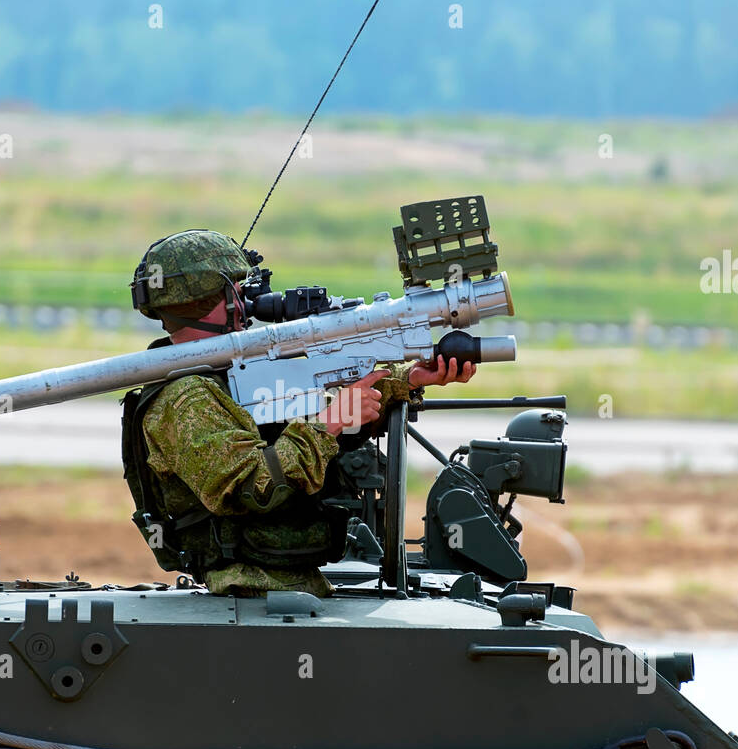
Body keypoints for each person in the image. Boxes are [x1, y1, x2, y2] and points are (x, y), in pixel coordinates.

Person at [122, 229, 474, 597]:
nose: (246, 302)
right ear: (211, 301)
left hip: (287, 588)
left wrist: (410, 377)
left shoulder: (225, 372)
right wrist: (330, 424)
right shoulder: (185, 399)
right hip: (251, 593)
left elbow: (309, 406)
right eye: (237, 291)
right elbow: (255, 486)